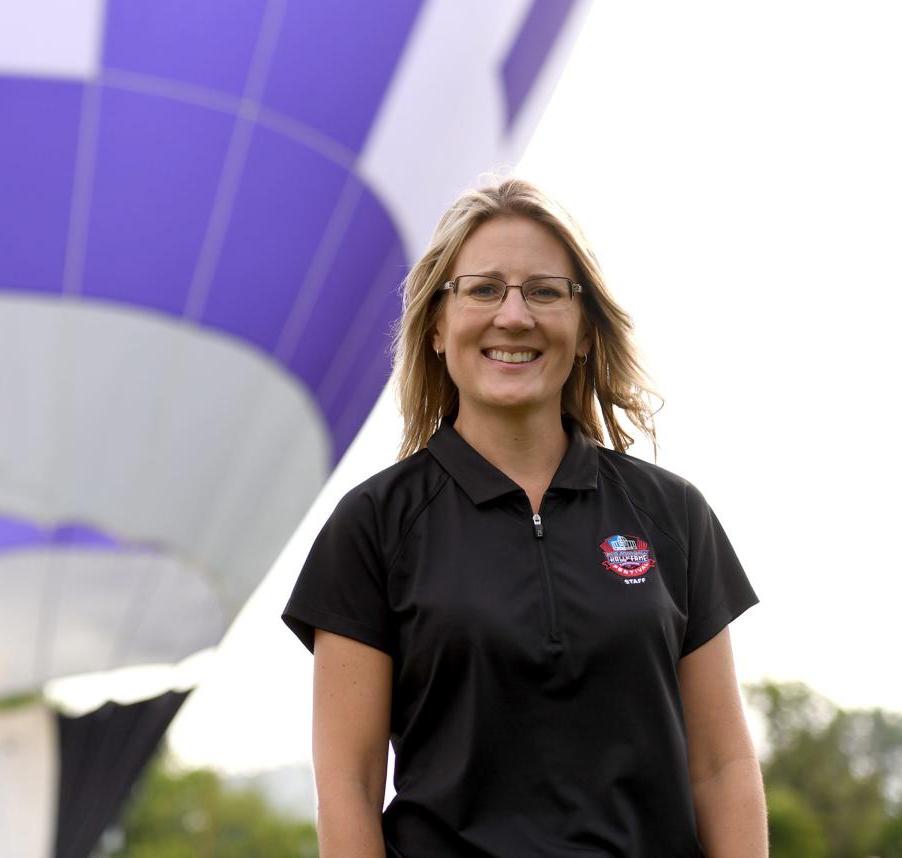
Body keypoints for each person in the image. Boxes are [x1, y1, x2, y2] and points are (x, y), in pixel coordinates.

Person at [281, 178, 766, 856]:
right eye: (483, 289)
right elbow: (350, 787)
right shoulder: (372, 524)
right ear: (436, 327)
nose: (514, 316)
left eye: (544, 291)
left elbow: (722, 766)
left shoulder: (672, 513)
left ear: (586, 329)